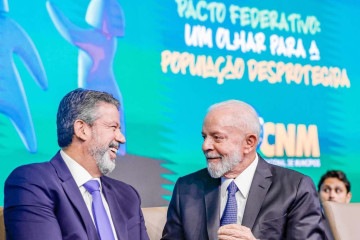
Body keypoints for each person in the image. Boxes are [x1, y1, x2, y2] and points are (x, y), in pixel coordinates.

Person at [162, 100, 327, 240]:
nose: (205, 146)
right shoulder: (187, 188)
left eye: (217, 137)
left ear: (249, 142)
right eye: (204, 137)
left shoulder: (296, 188)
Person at [4, 88, 149, 240]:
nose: (121, 138)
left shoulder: (127, 196)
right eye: (113, 127)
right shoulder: (33, 182)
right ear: (82, 129)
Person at [317, 170, 352, 240]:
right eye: (326, 190)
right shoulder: (309, 222)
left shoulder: (356, 223)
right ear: (318, 195)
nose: (332, 195)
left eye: (338, 190)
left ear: (348, 197)